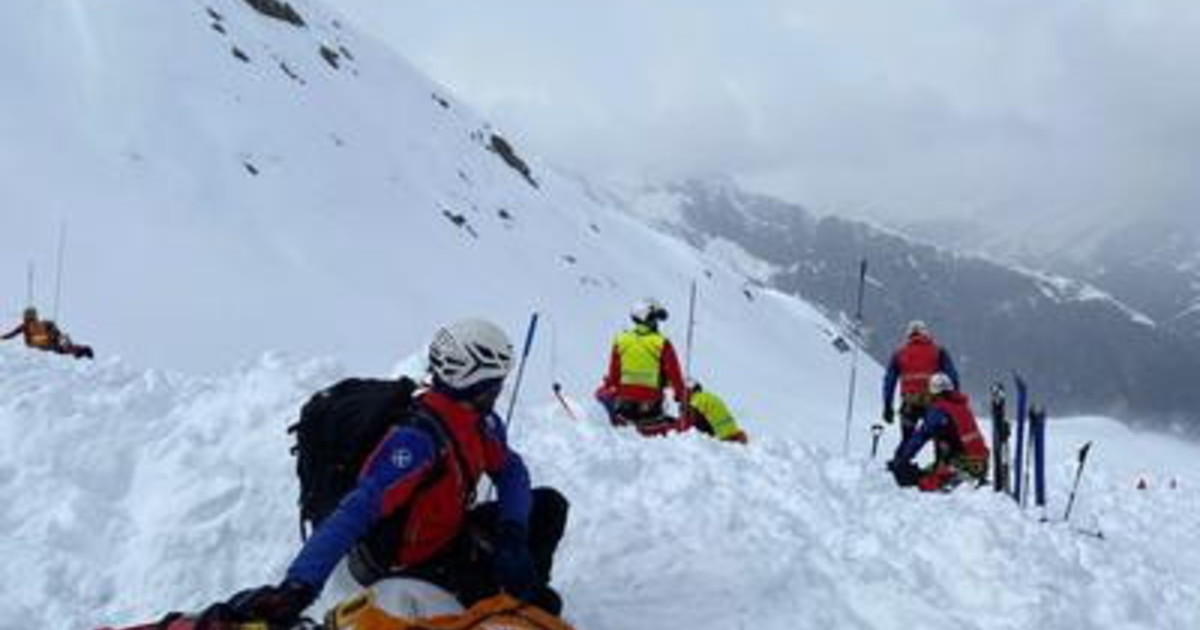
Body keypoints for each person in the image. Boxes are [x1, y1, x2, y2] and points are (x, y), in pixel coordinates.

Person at [228, 319, 569, 625]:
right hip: (411, 563)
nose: (499, 389)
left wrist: (512, 532)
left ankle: (511, 595)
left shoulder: (479, 423)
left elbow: (511, 471)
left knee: (549, 506)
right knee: (522, 600)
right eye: (495, 382)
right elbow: (357, 509)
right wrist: (298, 587)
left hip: (450, 533)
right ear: (475, 382)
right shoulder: (416, 441)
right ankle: (505, 610)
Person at [595, 298, 687, 435]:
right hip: (651, 411)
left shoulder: (621, 340)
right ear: (650, 320)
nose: (657, 323)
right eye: (655, 319)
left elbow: (614, 376)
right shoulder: (661, 343)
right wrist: (681, 397)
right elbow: (675, 376)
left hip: (624, 409)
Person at [887, 372, 989, 492]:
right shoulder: (962, 406)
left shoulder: (939, 409)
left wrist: (902, 459)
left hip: (961, 463)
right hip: (981, 463)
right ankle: (957, 473)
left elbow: (921, 435)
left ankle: (954, 477)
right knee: (929, 469)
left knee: (920, 480)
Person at [881, 320, 959, 444]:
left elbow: (889, 382)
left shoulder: (899, 354)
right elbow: (952, 376)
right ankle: (940, 461)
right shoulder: (939, 351)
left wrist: (887, 406)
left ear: (908, 335)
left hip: (909, 403)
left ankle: (902, 461)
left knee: (907, 439)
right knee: (940, 436)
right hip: (933, 402)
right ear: (925, 333)